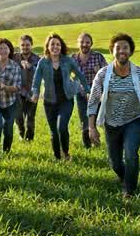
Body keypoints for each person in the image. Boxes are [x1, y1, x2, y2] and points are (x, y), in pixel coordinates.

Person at [87, 33, 140, 199]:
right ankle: (127, 177)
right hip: (111, 123)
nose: (122, 51)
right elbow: (93, 101)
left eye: (125, 47)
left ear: (131, 51)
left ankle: (129, 191)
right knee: (115, 162)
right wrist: (91, 127)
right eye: (118, 48)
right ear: (112, 51)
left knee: (131, 154)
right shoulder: (103, 75)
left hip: (134, 120)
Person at [31, 33, 90, 161]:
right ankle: (57, 156)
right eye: (52, 44)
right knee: (53, 131)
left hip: (66, 100)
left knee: (61, 127)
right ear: (48, 46)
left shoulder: (68, 61)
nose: (55, 47)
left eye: (58, 44)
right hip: (49, 101)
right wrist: (35, 93)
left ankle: (66, 153)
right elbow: (36, 82)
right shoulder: (43, 62)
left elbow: (80, 75)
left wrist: (87, 90)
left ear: (61, 46)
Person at [72, 32, 107, 149]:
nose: (84, 44)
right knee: (84, 121)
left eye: (87, 42)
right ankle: (87, 146)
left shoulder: (98, 57)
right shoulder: (73, 58)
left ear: (91, 44)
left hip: (98, 94)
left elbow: (107, 74)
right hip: (81, 95)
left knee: (97, 120)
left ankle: (97, 143)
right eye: (82, 42)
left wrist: (99, 72)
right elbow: (70, 77)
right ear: (78, 43)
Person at [15, 34, 40, 141]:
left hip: (32, 92)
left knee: (30, 116)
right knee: (19, 116)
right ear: (19, 46)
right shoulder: (14, 57)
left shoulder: (37, 59)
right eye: (23, 45)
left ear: (32, 45)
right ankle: (21, 133)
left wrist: (31, 67)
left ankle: (29, 139)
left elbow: (41, 73)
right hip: (17, 92)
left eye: (27, 45)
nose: (25, 47)